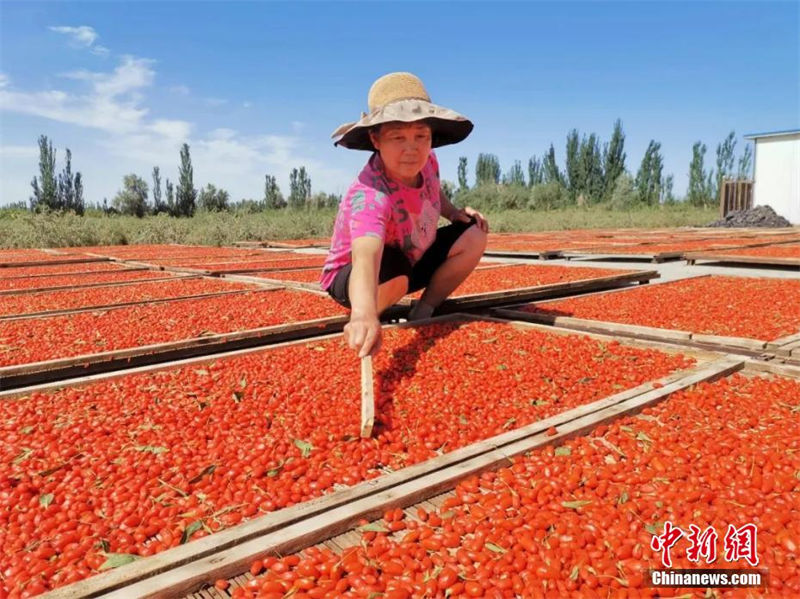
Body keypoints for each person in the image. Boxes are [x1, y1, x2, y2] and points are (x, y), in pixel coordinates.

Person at [321, 72, 489, 358]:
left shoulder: (427, 159)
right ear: (376, 139)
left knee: (474, 231)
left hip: (410, 257)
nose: (411, 148)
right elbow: (366, 253)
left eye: (420, 136)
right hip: (356, 275)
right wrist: (362, 313)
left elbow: (435, 190)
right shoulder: (370, 194)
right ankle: (371, 318)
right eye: (397, 136)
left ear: (430, 137)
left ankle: (424, 310)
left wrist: (452, 212)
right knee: (395, 270)